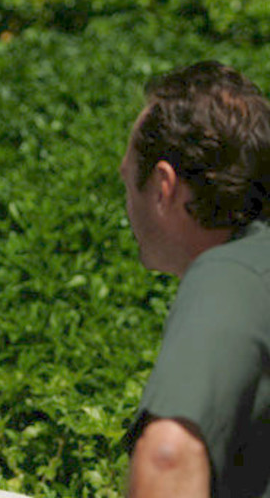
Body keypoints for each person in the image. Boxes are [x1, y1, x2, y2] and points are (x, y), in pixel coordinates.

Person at [121, 61, 270, 497]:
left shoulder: (229, 277)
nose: (127, 206)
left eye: (129, 184)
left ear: (163, 186)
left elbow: (168, 458)